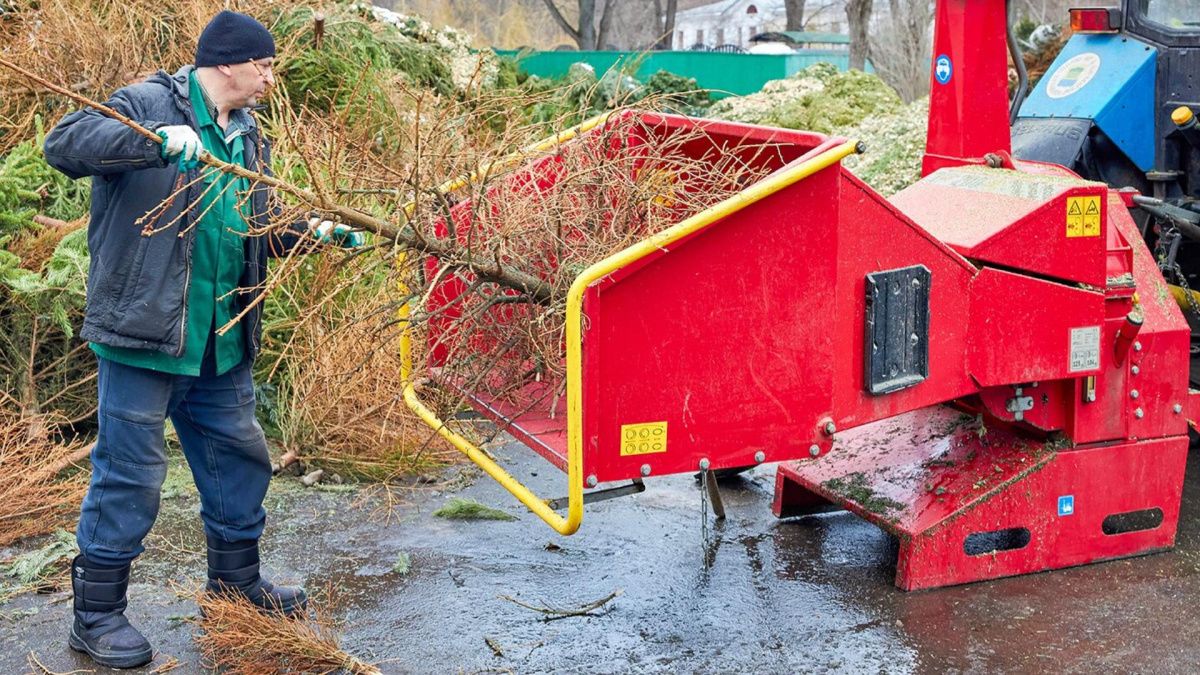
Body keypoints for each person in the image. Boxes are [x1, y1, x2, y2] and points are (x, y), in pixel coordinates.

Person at [44, 10, 360, 669]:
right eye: (262, 66)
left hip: (221, 337)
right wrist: (154, 143)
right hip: (145, 335)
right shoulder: (147, 105)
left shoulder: (247, 133)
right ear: (226, 63)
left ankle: (234, 586)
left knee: (239, 461)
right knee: (130, 473)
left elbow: (251, 226)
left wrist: (311, 232)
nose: (269, 78)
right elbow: (65, 144)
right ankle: (96, 614)